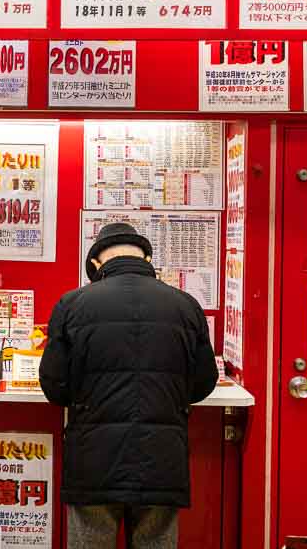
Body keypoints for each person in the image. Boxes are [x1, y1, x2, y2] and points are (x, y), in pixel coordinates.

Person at [39, 222, 218, 549]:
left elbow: (55, 387)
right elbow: (204, 382)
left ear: (96, 263)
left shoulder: (71, 304)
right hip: (162, 458)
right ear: (147, 258)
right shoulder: (186, 306)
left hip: (93, 459)